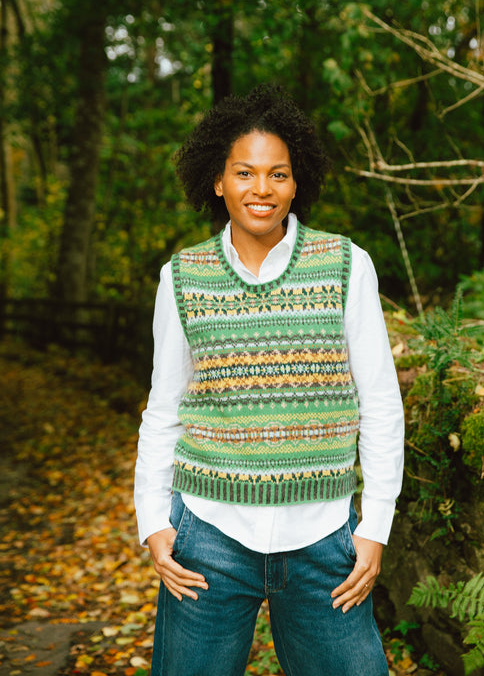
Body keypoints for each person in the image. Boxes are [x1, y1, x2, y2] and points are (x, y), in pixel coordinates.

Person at [134, 83, 404, 676]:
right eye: (245, 172)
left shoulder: (345, 265)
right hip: (207, 540)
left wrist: (375, 526)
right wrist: (153, 521)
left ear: (296, 179)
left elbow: (381, 402)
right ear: (217, 180)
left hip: (324, 541)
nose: (262, 189)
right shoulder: (182, 277)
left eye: (277, 174)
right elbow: (164, 408)